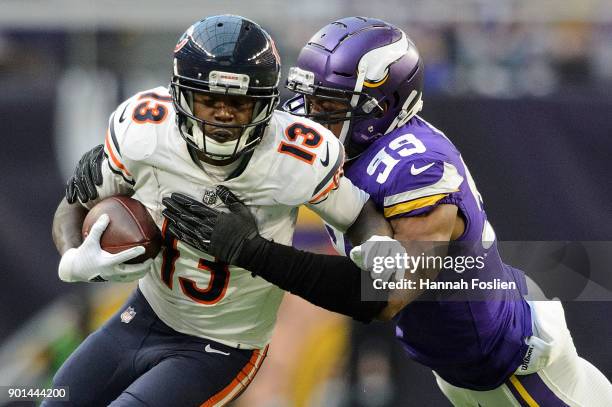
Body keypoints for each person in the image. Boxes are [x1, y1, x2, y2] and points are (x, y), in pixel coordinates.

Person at [159, 17, 612, 406]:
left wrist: (252, 250)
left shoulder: (416, 169)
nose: (309, 118)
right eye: (308, 100)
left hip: (516, 362)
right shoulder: (347, 145)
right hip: (468, 363)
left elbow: (383, 298)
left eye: (329, 107)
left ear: (381, 110)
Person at [48, 15, 391, 407]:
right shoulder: (145, 131)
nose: (224, 115)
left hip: (224, 346)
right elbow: (77, 201)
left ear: (265, 104)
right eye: (210, 101)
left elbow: (360, 214)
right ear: (181, 95)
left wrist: (379, 243)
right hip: (145, 315)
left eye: (239, 104)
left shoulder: (295, 156)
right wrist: (73, 256)